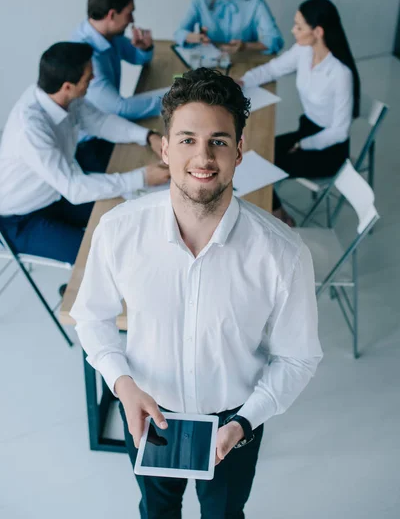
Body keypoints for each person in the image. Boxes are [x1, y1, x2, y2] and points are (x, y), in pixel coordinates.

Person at [71, 68, 323, 518]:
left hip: (236, 420)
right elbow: (92, 318)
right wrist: (123, 386)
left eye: (218, 141)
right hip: (147, 412)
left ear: (240, 150)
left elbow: (298, 356)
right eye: (187, 139)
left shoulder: (282, 252)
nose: (203, 157)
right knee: (157, 509)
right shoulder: (119, 230)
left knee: (225, 514)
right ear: (165, 148)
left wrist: (245, 421)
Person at [0, 42, 169, 265]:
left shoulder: (61, 96)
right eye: (88, 76)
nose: (94, 78)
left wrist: (149, 137)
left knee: (128, 212)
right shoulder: (30, 128)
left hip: (57, 195)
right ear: (68, 86)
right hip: (21, 219)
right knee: (99, 253)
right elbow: (74, 187)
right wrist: (142, 177)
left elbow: (100, 122)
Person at [239, 0, 360, 226]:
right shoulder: (303, 51)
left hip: (328, 149)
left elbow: (340, 132)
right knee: (255, 155)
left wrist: (303, 145)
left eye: (299, 26)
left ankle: (278, 216)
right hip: (305, 130)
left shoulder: (340, 73)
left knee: (262, 166)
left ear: (318, 32)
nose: (293, 30)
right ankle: (276, 209)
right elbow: (274, 68)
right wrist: (243, 81)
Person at [72, 0, 161, 121]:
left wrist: (145, 48)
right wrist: (178, 95)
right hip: (94, 138)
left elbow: (137, 58)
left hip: (111, 121)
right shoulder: (85, 56)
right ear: (112, 15)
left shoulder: (107, 34)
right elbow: (120, 108)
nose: (132, 20)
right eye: (129, 13)